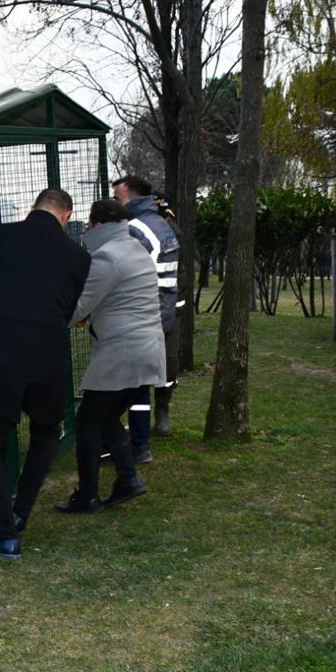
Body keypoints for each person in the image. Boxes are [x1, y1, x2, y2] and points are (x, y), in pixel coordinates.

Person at [0, 188, 91, 560]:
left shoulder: (1, 236)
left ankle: (5, 535)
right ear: (66, 215)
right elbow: (68, 306)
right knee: (47, 432)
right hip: (48, 353)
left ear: (35, 207)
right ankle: (21, 511)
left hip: (1, 349)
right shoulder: (78, 256)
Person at [55, 199, 165, 514]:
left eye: (89, 225)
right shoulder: (135, 250)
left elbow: (82, 304)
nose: (87, 230)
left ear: (100, 224)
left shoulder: (107, 256)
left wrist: (50, 321)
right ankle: (128, 480)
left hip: (121, 352)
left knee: (88, 422)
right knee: (104, 418)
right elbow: (120, 298)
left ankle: (88, 496)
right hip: (147, 349)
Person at [111, 175, 181, 462]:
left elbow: (124, 271)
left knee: (127, 383)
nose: (114, 203)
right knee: (139, 384)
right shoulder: (162, 224)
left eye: (118, 198)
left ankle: (131, 444)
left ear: (133, 198)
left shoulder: (136, 229)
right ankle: (139, 443)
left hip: (140, 315)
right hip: (160, 311)